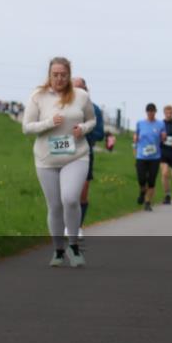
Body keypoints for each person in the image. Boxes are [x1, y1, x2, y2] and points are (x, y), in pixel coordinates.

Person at [22, 57, 96, 268]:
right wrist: (48, 123)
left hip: (76, 155)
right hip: (46, 159)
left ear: (69, 75)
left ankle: (73, 246)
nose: (59, 78)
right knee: (54, 206)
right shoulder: (39, 96)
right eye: (55, 74)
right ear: (49, 75)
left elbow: (92, 120)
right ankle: (58, 250)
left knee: (71, 199)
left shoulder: (81, 96)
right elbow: (26, 127)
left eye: (63, 74)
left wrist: (83, 129)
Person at [70, 77, 103, 240]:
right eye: (74, 88)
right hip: (65, 152)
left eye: (81, 88)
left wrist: (83, 131)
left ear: (86, 90)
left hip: (85, 152)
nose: (78, 92)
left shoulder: (94, 109)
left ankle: (77, 226)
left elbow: (100, 134)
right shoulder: (62, 106)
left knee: (82, 192)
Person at [134, 103, 166, 211]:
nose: (151, 113)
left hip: (155, 157)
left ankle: (147, 202)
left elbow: (163, 137)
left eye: (153, 111)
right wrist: (135, 138)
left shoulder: (160, 124)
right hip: (141, 156)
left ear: (155, 112)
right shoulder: (140, 123)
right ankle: (142, 191)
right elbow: (136, 135)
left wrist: (163, 137)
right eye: (149, 111)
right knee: (142, 179)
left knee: (151, 181)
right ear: (146, 112)